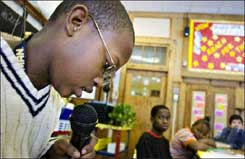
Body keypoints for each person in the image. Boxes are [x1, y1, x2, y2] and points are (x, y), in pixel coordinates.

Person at [0, 0, 134, 158]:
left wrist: (48, 153)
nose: (100, 82)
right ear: (76, 21)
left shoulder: (52, 102)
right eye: (106, 65)